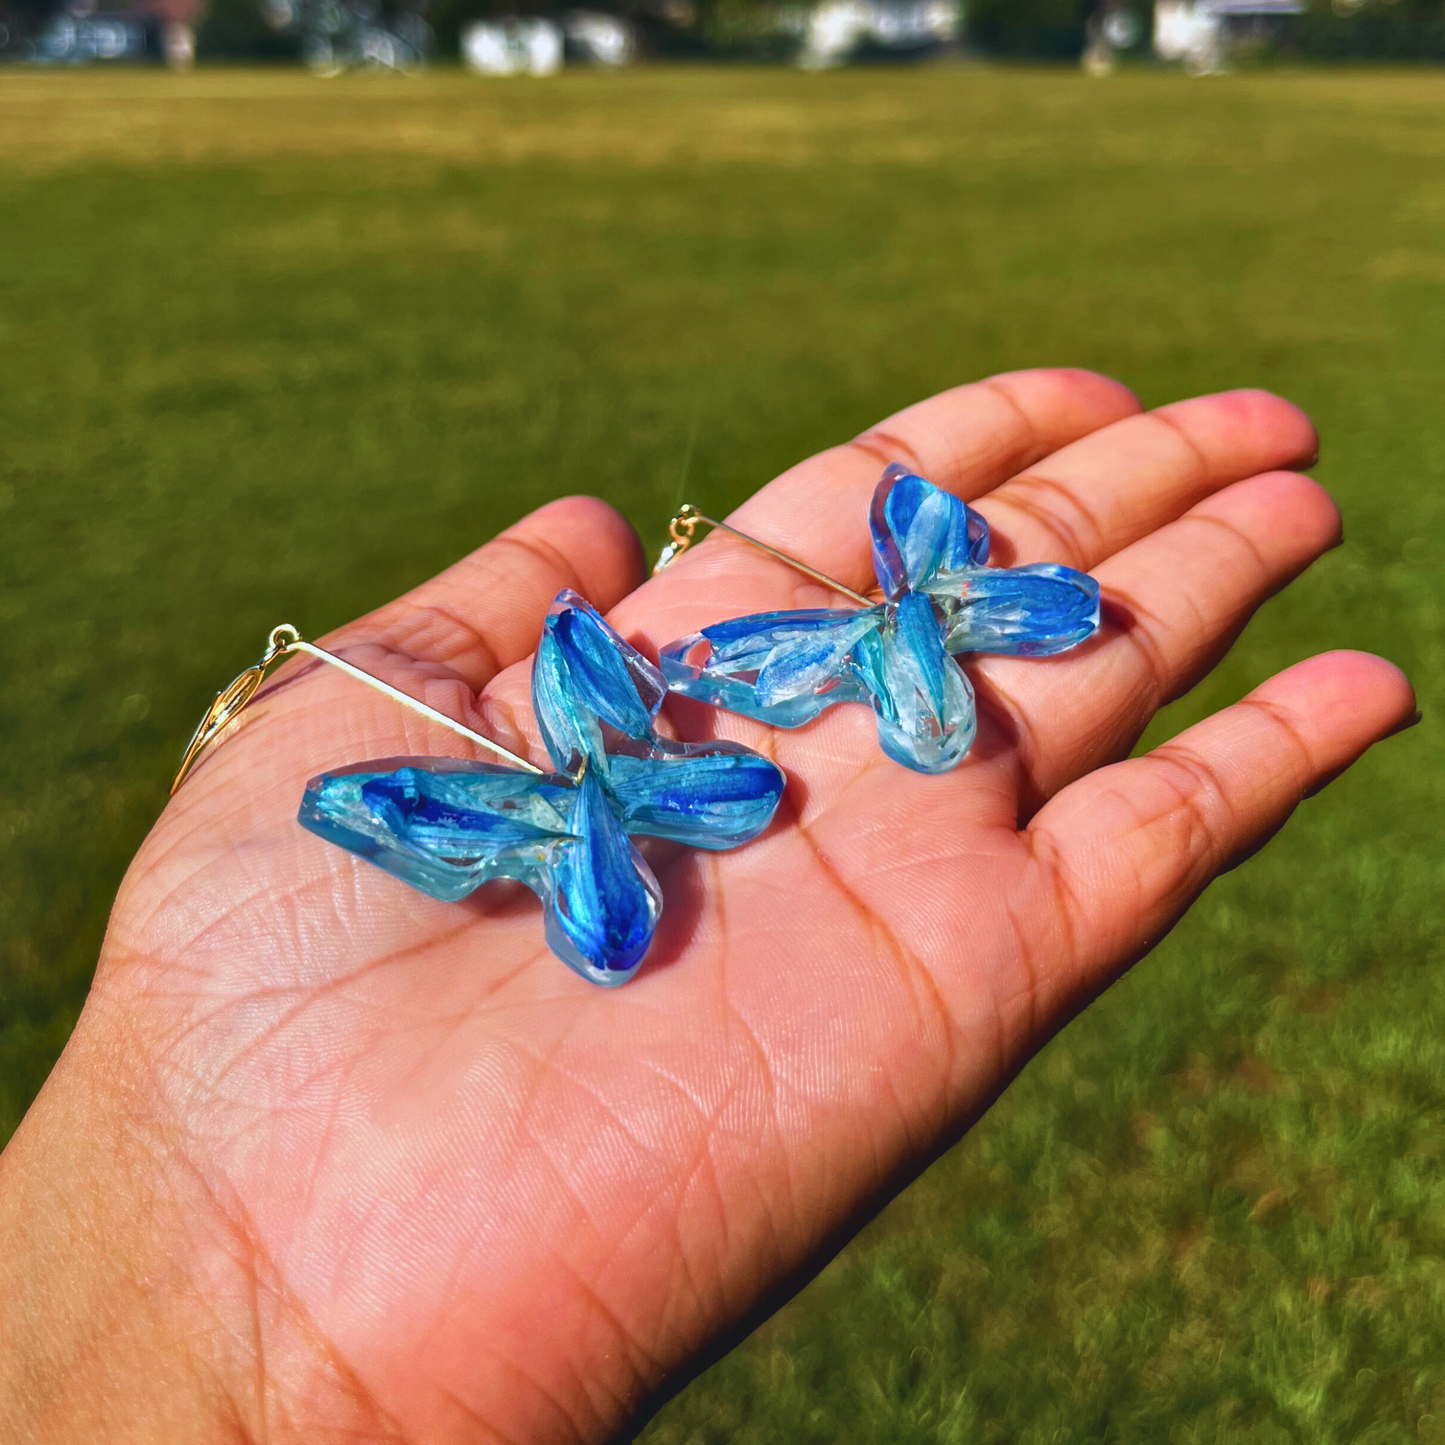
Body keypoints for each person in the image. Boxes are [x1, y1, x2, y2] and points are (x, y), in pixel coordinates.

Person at [0, 369, 1416, 1443]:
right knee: (645, 806)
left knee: (723, 763)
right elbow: (606, 758)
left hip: (726, 728)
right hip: (650, 774)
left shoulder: (772, 687)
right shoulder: (627, 764)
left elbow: (785, 723)